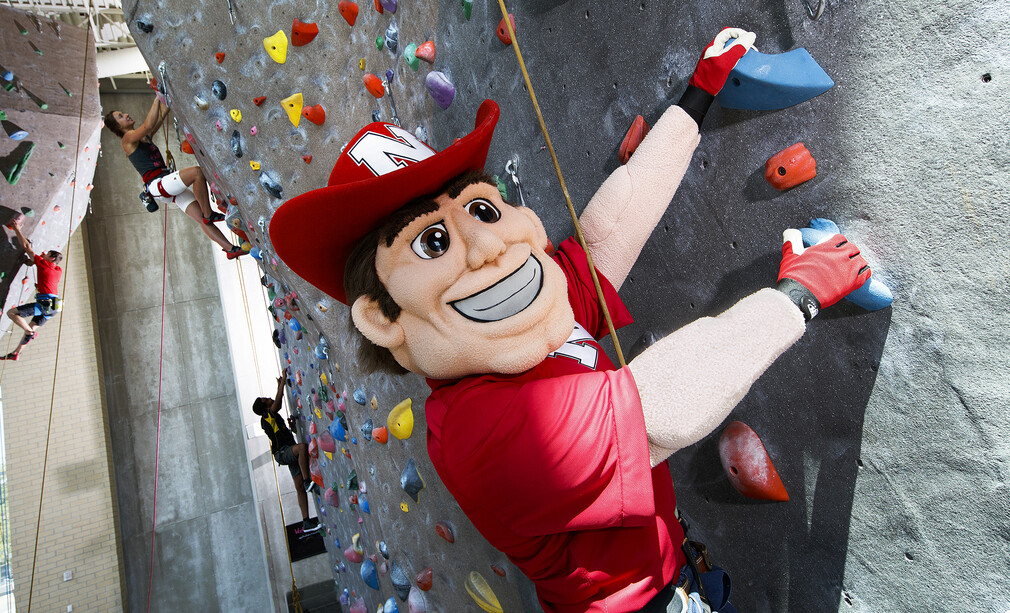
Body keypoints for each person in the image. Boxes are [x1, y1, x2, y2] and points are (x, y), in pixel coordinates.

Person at [269, 28, 872, 612]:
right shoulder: (477, 434)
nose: (487, 248)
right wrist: (798, 295)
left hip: (680, 571)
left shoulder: (524, 323)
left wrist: (699, 95)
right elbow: (661, 408)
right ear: (384, 316)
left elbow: (608, 236)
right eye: (432, 243)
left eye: (480, 209)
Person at [103, 96, 244, 259]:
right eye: (120, 116)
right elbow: (148, 125)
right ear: (118, 127)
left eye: (123, 113)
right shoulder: (127, 139)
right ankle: (208, 213)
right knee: (197, 173)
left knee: (200, 219)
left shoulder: (143, 138)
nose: (126, 114)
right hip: (158, 185)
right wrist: (156, 99)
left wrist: (165, 97)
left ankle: (230, 250)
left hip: (164, 186)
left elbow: (161, 115)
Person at [252, 376, 321, 533]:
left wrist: (293, 428)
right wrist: (281, 384)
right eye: (265, 399)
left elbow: (284, 433)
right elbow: (277, 402)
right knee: (302, 448)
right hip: (282, 453)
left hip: (287, 450)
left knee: (298, 488)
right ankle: (306, 480)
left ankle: (306, 522)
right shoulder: (267, 417)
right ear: (264, 407)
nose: (268, 397)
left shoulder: (273, 419)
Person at [0, 218, 63, 361]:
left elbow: (27, 248)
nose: (43, 255)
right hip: (53, 306)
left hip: (45, 303)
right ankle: (16, 353)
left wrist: (17, 229)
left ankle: (30, 333)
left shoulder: (44, 264)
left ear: (52, 258)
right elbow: (47, 280)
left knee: (12, 313)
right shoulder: (58, 269)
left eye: (47, 254)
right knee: (32, 326)